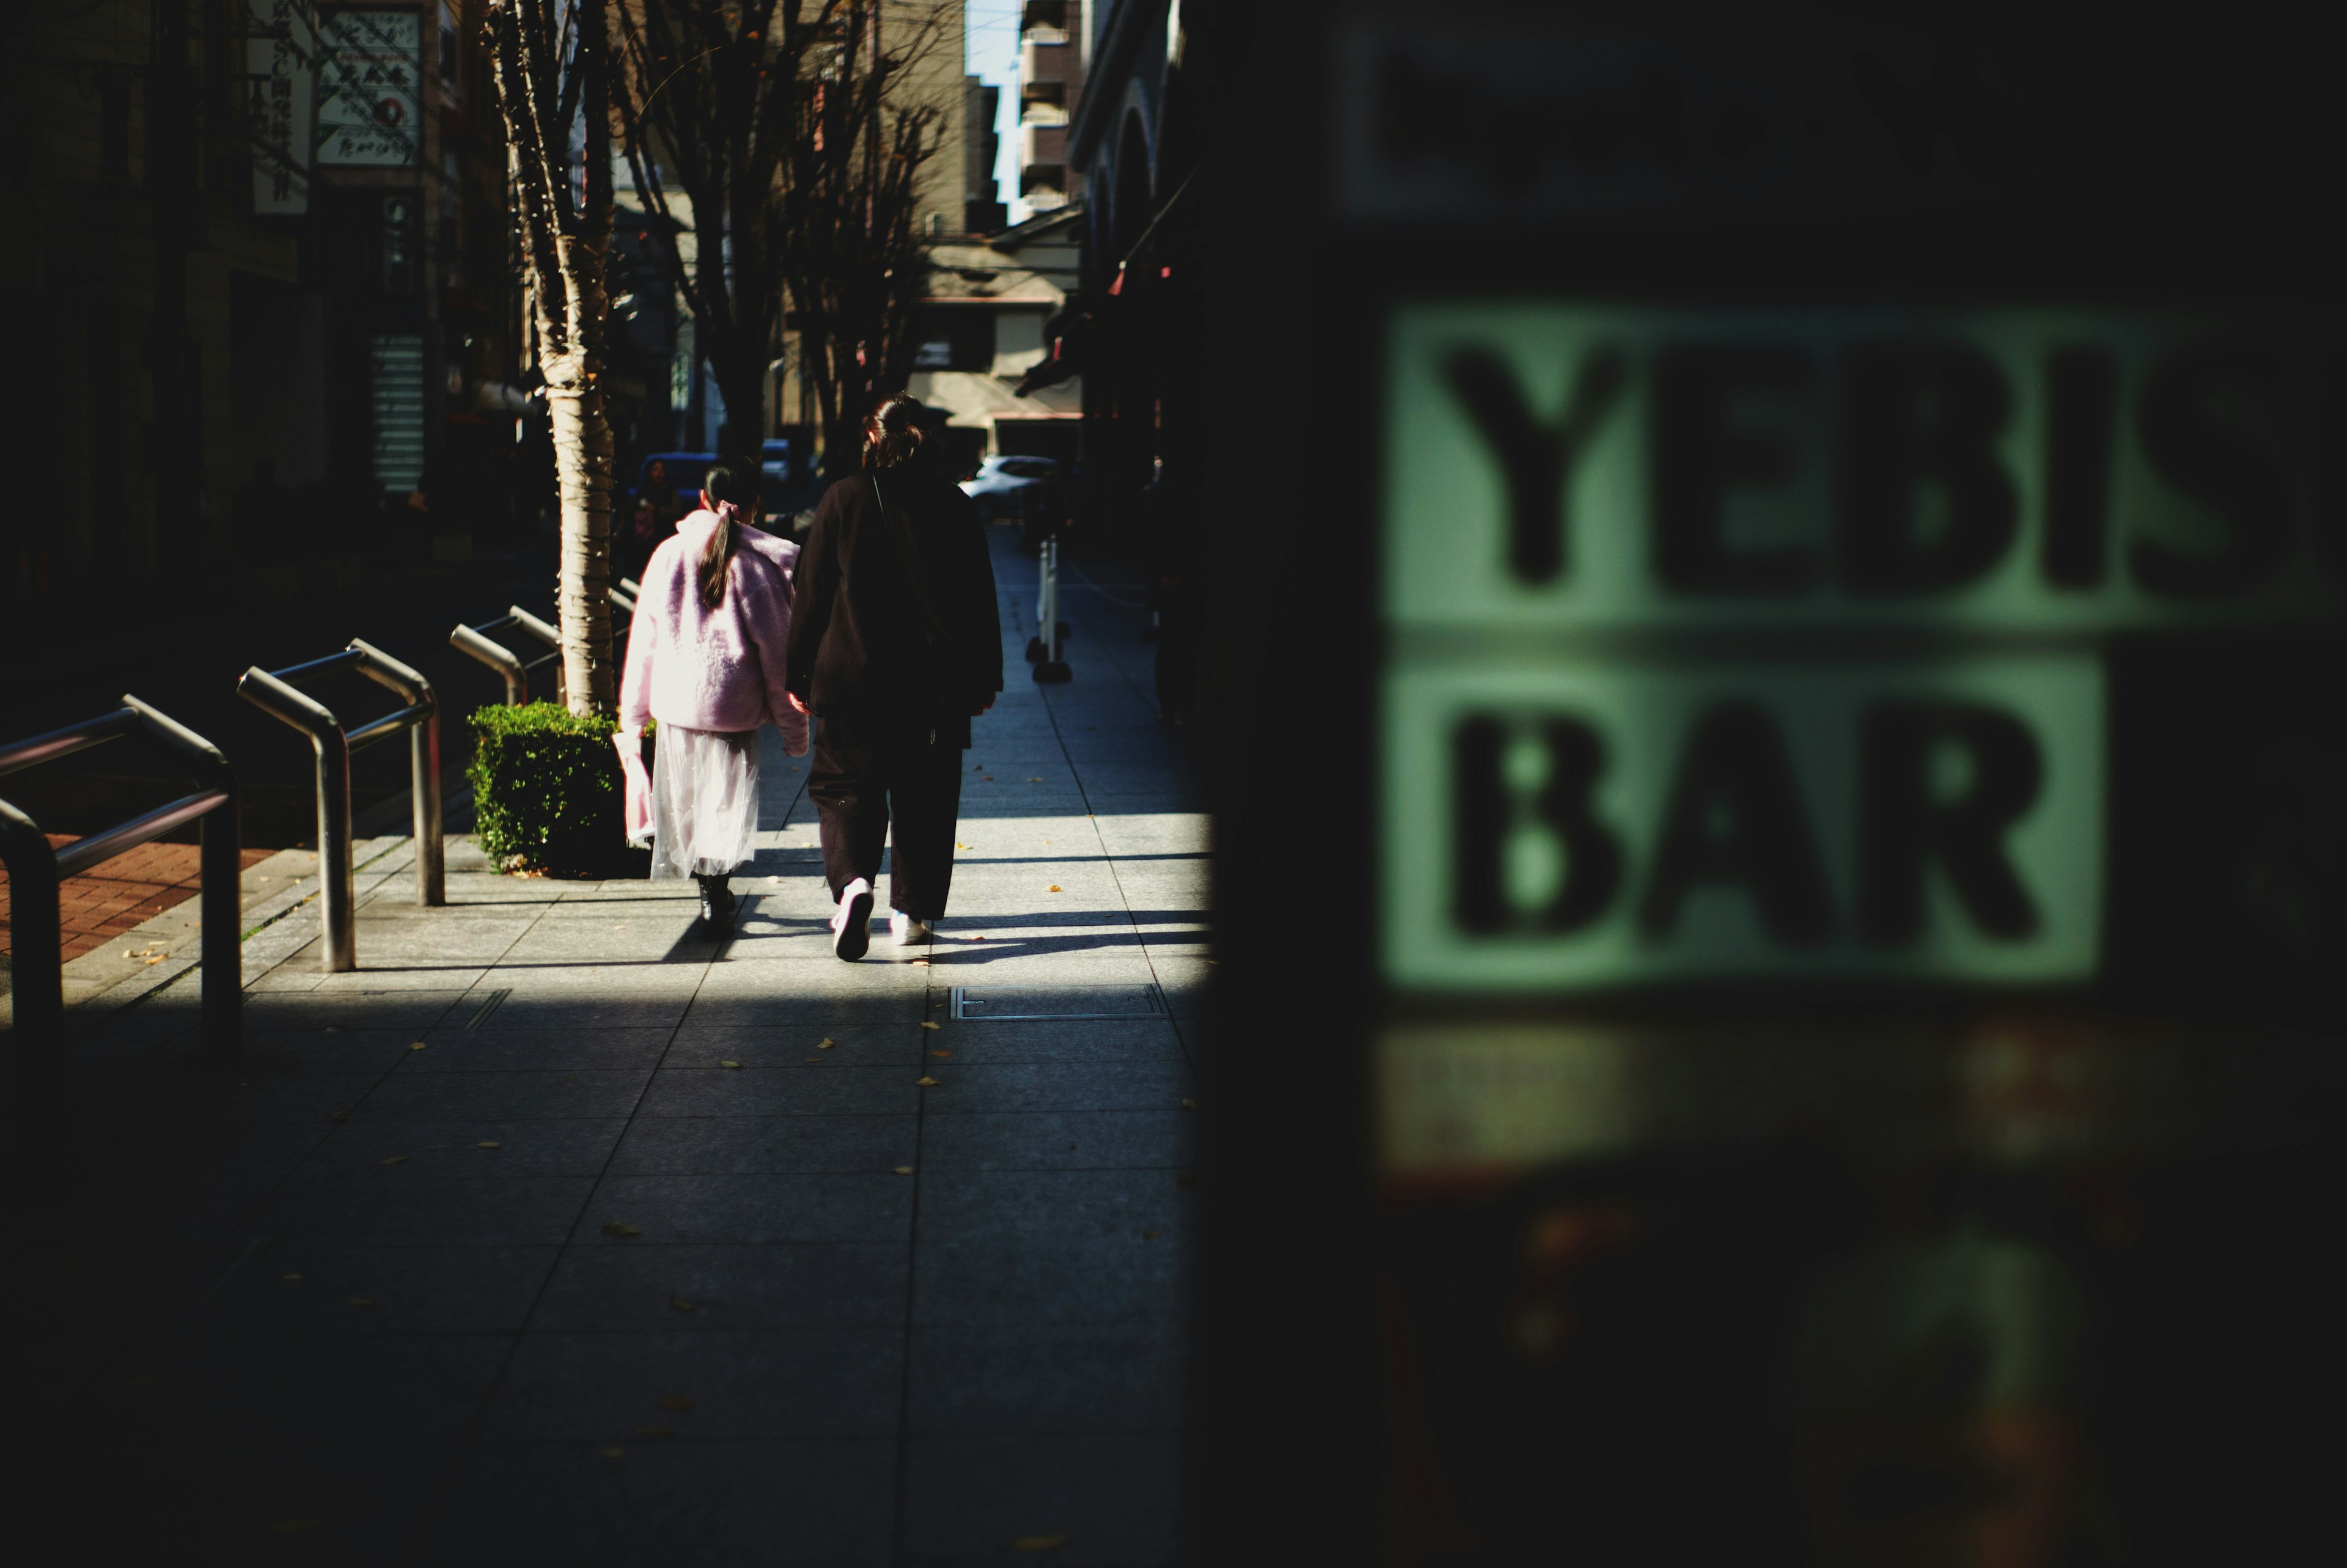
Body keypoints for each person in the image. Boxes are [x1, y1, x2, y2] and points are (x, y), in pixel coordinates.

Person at [785, 394, 1002, 959]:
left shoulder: (842, 500)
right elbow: (979, 599)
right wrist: (984, 678)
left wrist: (798, 672)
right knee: (926, 798)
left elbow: (811, 597)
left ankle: (854, 885)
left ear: (872, 437)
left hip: (850, 679)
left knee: (843, 790)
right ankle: (911, 913)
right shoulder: (955, 506)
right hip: (933, 689)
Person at [616, 457, 809, 926]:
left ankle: (707, 890)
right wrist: (795, 730)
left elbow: (645, 644)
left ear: (701, 500)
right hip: (732, 706)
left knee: (687, 800)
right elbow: (780, 659)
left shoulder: (667, 555)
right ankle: (715, 888)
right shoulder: (759, 569)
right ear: (755, 507)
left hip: (679, 703)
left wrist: (633, 717)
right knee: (724, 804)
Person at [623, 457, 687, 583]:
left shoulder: (669, 490)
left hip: (662, 538)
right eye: (655, 470)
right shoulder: (642, 492)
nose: (659, 473)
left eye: (662, 470)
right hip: (644, 542)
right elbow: (628, 514)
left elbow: (678, 511)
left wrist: (656, 509)